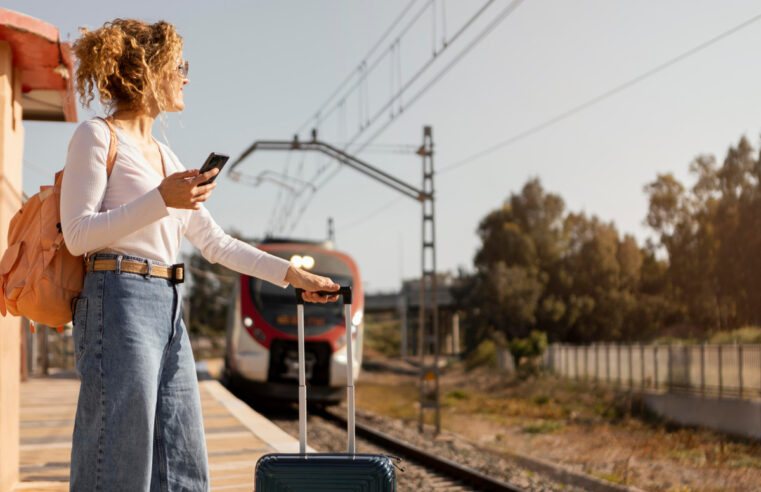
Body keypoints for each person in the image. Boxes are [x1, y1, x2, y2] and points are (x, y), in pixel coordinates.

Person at [62, 18, 339, 491]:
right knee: (120, 459)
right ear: (147, 71)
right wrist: (161, 200)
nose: (186, 76)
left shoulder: (167, 158)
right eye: (178, 65)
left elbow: (216, 244)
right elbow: (77, 235)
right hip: (117, 300)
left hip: (168, 304)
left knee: (184, 462)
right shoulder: (97, 137)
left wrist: (292, 275)